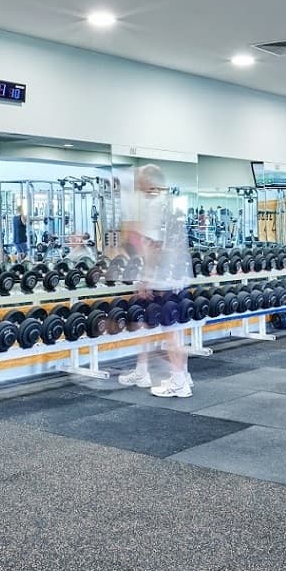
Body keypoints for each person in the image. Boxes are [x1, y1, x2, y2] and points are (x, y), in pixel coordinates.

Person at [116, 164, 195, 398]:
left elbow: (153, 247)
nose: (137, 186)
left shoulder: (153, 206)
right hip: (179, 276)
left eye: (140, 182)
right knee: (166, 328)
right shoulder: (171, 203)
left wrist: (145, 279)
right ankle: (174, 374)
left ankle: (179, 382)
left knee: (169, 333)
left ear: (148, 183)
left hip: (163, 279)